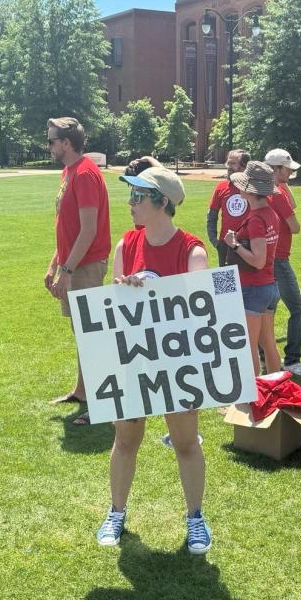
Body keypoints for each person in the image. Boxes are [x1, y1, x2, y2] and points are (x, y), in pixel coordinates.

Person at [96, 162, 212, 554]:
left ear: (162, 202)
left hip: (177, 366)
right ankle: (116, 512)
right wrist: (123, 289)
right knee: (125, 440)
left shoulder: (192, 250)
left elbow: (200, 313)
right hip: (135, 361)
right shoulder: (126, 245)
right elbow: (113, 305)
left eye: (138, 196)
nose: (130, 203)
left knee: (185, 444)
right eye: (130, 194)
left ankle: (195, 518)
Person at [45, 117, 111, 424]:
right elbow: (66, 228)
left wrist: (68, 269)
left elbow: (87, 230)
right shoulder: (69, 171)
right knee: (83, 334)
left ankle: (102, 403)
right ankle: (83, 392)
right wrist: (54, 264)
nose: (49, 146)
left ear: (67, 143)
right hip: (74, 263)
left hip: (85, 265)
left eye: (51, 141)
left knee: (92, 335)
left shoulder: (85, 174)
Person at [224, 160, 282, 375]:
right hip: (269, 286)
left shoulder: (256, 219)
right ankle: (278, 388)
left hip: (253, 289)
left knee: (248, 348)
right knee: (269, 345)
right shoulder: (271, 214)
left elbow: (258, 260)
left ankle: (254, 397)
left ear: (248, 190)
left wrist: (235, 244)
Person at [265, 148, 301, 376]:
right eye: (287, 169)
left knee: (267, 310)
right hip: (279, 258)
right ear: (277, 169)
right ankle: (292, 360)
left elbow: (293, 204)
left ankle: (265, 357)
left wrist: (282, 182)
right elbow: (296, 226)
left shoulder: (263, 190)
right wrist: (282, 186)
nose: (290, 173)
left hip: (266, 258)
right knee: (299, 308)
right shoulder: (278, 194)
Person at [206, 148, 250, 266]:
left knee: (248, 281)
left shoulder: (253, 188)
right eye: (228, 163)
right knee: (226, 283)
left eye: (233, 163)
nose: (229, 166)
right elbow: (212, 215)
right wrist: (215, 241)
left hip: (249, 244)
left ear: (244, 166)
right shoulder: (221, 187)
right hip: (225, 244)